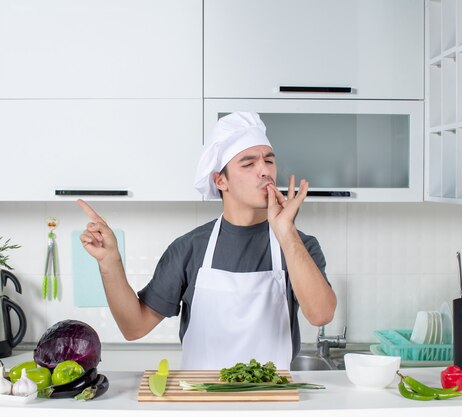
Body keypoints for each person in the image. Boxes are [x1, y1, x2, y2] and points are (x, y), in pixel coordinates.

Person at [78, 111, 336, 370]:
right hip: (201, 401)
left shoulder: (299, 246)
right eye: (248, 164)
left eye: (269, 161)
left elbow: (321, 314)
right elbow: (134, 327)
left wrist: (286, 232)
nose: (264, 171)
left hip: (272, 401)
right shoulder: (189, 248)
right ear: (220, 180)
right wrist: (109, 262)